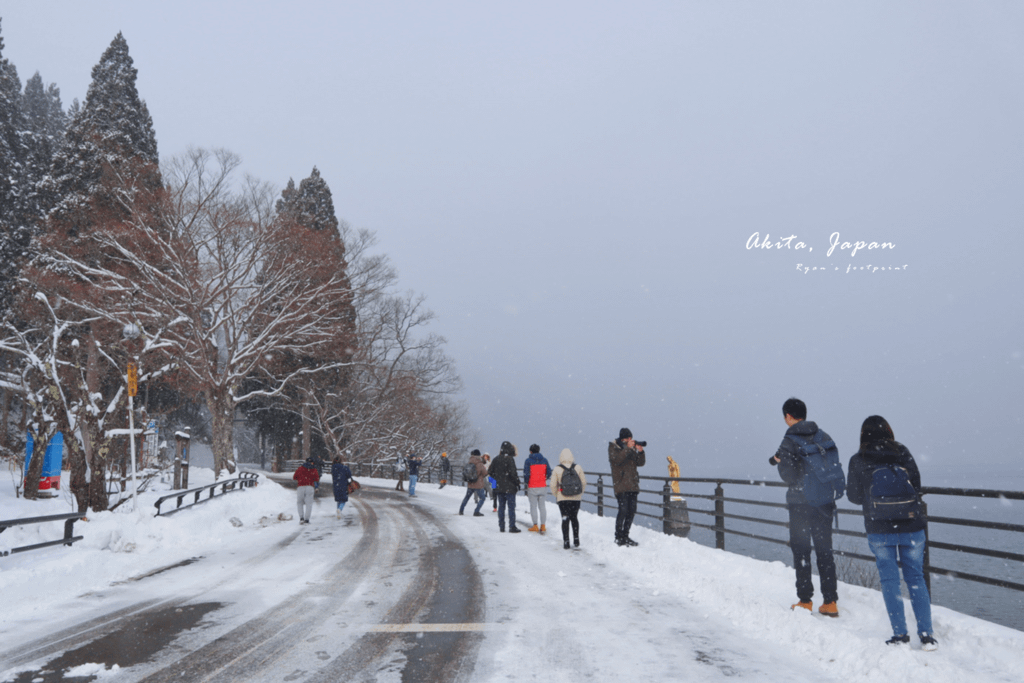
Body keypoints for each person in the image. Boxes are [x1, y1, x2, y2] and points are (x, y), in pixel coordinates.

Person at [847, 415, 938, 650]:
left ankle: (900, 635)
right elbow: (916, 486)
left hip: (879, 528)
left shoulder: (858, 459)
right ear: (888, 431)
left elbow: (854, 497)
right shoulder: (902, 452)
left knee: (890, 581)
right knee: (916, 579)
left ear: (863, 434)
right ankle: (927, 636)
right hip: (911, 525)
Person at [770, 397, 841, 617]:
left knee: (801, 550)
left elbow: (789, 475)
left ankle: (805, 600)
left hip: (800, 503)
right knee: (824, 550)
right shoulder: (823, 436)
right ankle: (830, 602)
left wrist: (781, 464)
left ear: (788, 416)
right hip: (824, 501)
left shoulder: (789, 440)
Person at [608, 428, 645, 546]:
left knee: (632, 511)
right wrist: (628, 448)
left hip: (633, 485)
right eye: (628, 438)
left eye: (631, 438)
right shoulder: (613, 447)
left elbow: (640, 463)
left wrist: (640, 452)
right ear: (623, 438)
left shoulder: (630, 448)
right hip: (621, 485)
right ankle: (618, 536)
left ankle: (625, 535)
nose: (630, 440)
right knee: (623, 510)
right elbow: (617, 460)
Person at [550, 448, 587, 549]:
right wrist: (579, 493)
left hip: (563, 498)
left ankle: (566, 541)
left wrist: (557, 495)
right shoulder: (578, 467)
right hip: (576, 498)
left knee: (565, 518)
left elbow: (553, 485)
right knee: (574, 518)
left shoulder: (557, 469)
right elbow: (583, 482)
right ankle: (576, 539)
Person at [489, 441, 522, 533]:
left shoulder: (496, 459)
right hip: (510, 488)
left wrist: (496, 481)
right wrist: (517, 483)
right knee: (511, 507)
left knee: (501, 507)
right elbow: (513, 473)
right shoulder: (510, 459)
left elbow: (490, 472)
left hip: (500, 487)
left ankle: (501, 526)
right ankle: (512, 526)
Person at [523, 444, 552, 533]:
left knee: (533, 506)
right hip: (542, 486)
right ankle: (543, 526)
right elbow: (549, 472)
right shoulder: (544, 460)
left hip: (532, 486)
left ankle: (535, 525)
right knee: (542, 506)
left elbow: (526, 474)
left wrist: (527, 482)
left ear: (530, 451)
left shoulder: (528, 461)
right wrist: (543, 478)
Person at [459, 449, 488, 516]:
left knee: (467, 497)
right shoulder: (479, 463)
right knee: (482, 498)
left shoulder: (469, 461)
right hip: (478, 485)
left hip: (470, 483)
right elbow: (485, 473)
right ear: (478, 455)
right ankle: (476, 511)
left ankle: (461, 510)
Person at [292, 458, 320, 524]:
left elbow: (294, 477)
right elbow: (316, 479)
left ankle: (301, 517)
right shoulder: (314, 469)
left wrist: (300, 479)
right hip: (310, 487)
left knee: (300, 502)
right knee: (309, 504)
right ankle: (307, 519)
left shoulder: (300, 468)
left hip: (301, 486)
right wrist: (316, 487)